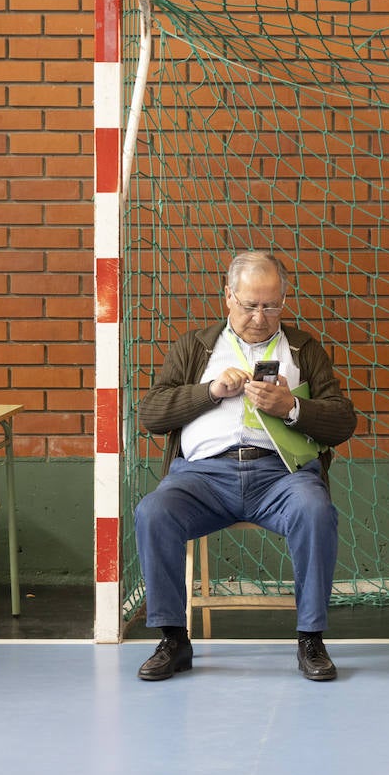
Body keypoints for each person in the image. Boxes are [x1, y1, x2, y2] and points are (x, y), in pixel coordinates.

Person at [133, 251, 357, 681]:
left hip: (281, 478)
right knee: (153, 513)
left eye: (271, 305)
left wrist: (292, 407)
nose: (260, 316)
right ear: (228, 297)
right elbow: (152, 414)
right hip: (202, 478)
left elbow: (343, 421)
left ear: (284, 300)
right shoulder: (196, 347)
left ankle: (311, 638)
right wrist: (210, 392)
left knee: (315, 511)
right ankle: (173, 639)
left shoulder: (302, 349)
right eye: (250, 304)